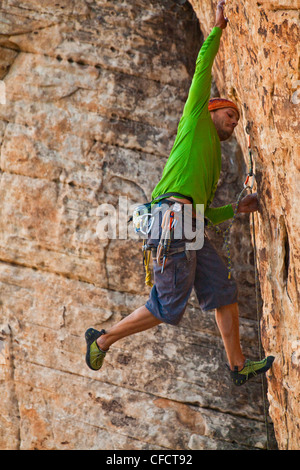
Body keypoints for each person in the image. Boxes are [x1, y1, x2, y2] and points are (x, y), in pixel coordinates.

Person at [85, 1, 274, 386]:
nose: (233, 122)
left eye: (237, 120)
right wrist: (217, 29)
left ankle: (237, 367)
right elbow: (204, 68)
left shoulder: (214, 161)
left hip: (190, 223)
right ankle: (101, 340)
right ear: (211, 109)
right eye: (229, 114)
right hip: (171, 217)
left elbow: (201, 213)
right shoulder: (195, 118)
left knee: (223, 290)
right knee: (168, 305)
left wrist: (236, 210)